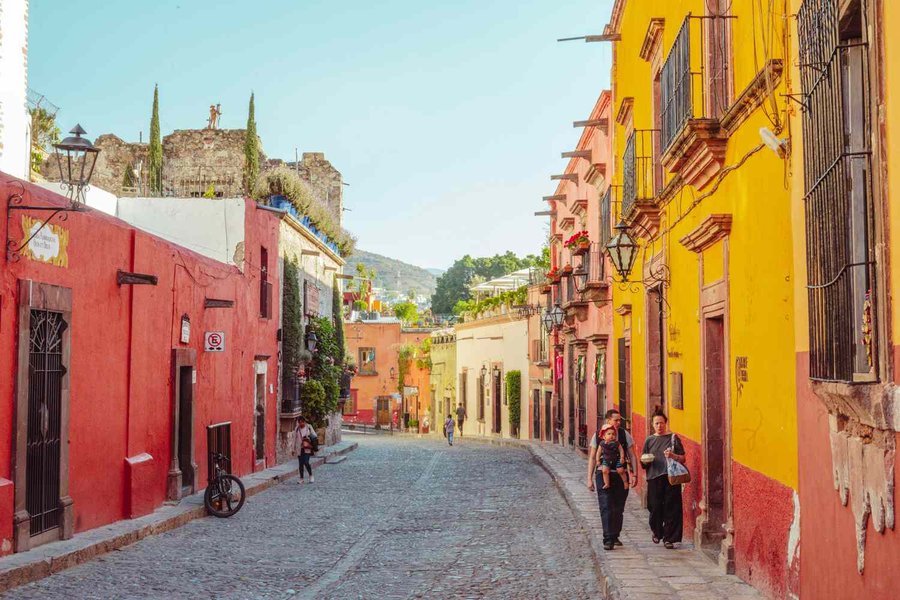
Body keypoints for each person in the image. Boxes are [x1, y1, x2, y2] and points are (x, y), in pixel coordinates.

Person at [641, 409, 685, 549]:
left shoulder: (673, 438)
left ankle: (669, 538)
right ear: (652, 424)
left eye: (661, 423)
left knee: (671, 507)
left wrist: (672, 456)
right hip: (654, 477)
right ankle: (657, 531)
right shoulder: (649, 440)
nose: (659, 426)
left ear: (665, 423)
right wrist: (646, 461)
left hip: (670, 477)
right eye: (656, 423)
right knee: (654, 507)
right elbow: (643, 459)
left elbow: (683, 458)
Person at [587, 424, 627, 551]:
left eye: (619, 420)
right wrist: (589, 478)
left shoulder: (624, 436)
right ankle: (608, 539)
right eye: (615, 420)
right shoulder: (599, 439)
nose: (618, 422)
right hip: (603, 473)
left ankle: (615, 536)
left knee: (618, 507)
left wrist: (635, 474)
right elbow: (593, 457)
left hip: (619, 475)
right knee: (606, 505)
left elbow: (630, 453)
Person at [597, 424, 628, 490]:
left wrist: (622, 457)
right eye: (609, 434)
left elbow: (621, 450)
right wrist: (598, 460)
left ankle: (625, 482)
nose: (611, 436)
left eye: (613, 434)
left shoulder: (617, 443)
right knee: (605, 471)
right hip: (606, 459)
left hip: (616, 458)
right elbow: (598, 452)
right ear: (604, 436)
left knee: (621, 470)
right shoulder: (602, 444)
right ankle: (607, 483)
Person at [294, 416, 315, 484]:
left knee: (306, 462)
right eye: (299, 422)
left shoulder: (309, 427)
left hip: (307, 448)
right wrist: (293, 449)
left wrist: (308, 437)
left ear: (304, 422)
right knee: (300, 464)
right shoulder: (297, 428)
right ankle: (301, 478)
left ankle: (311, 475)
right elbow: (294, 439)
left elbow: (314, 436)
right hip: (299, 448)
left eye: (301, 422)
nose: (300, 424)